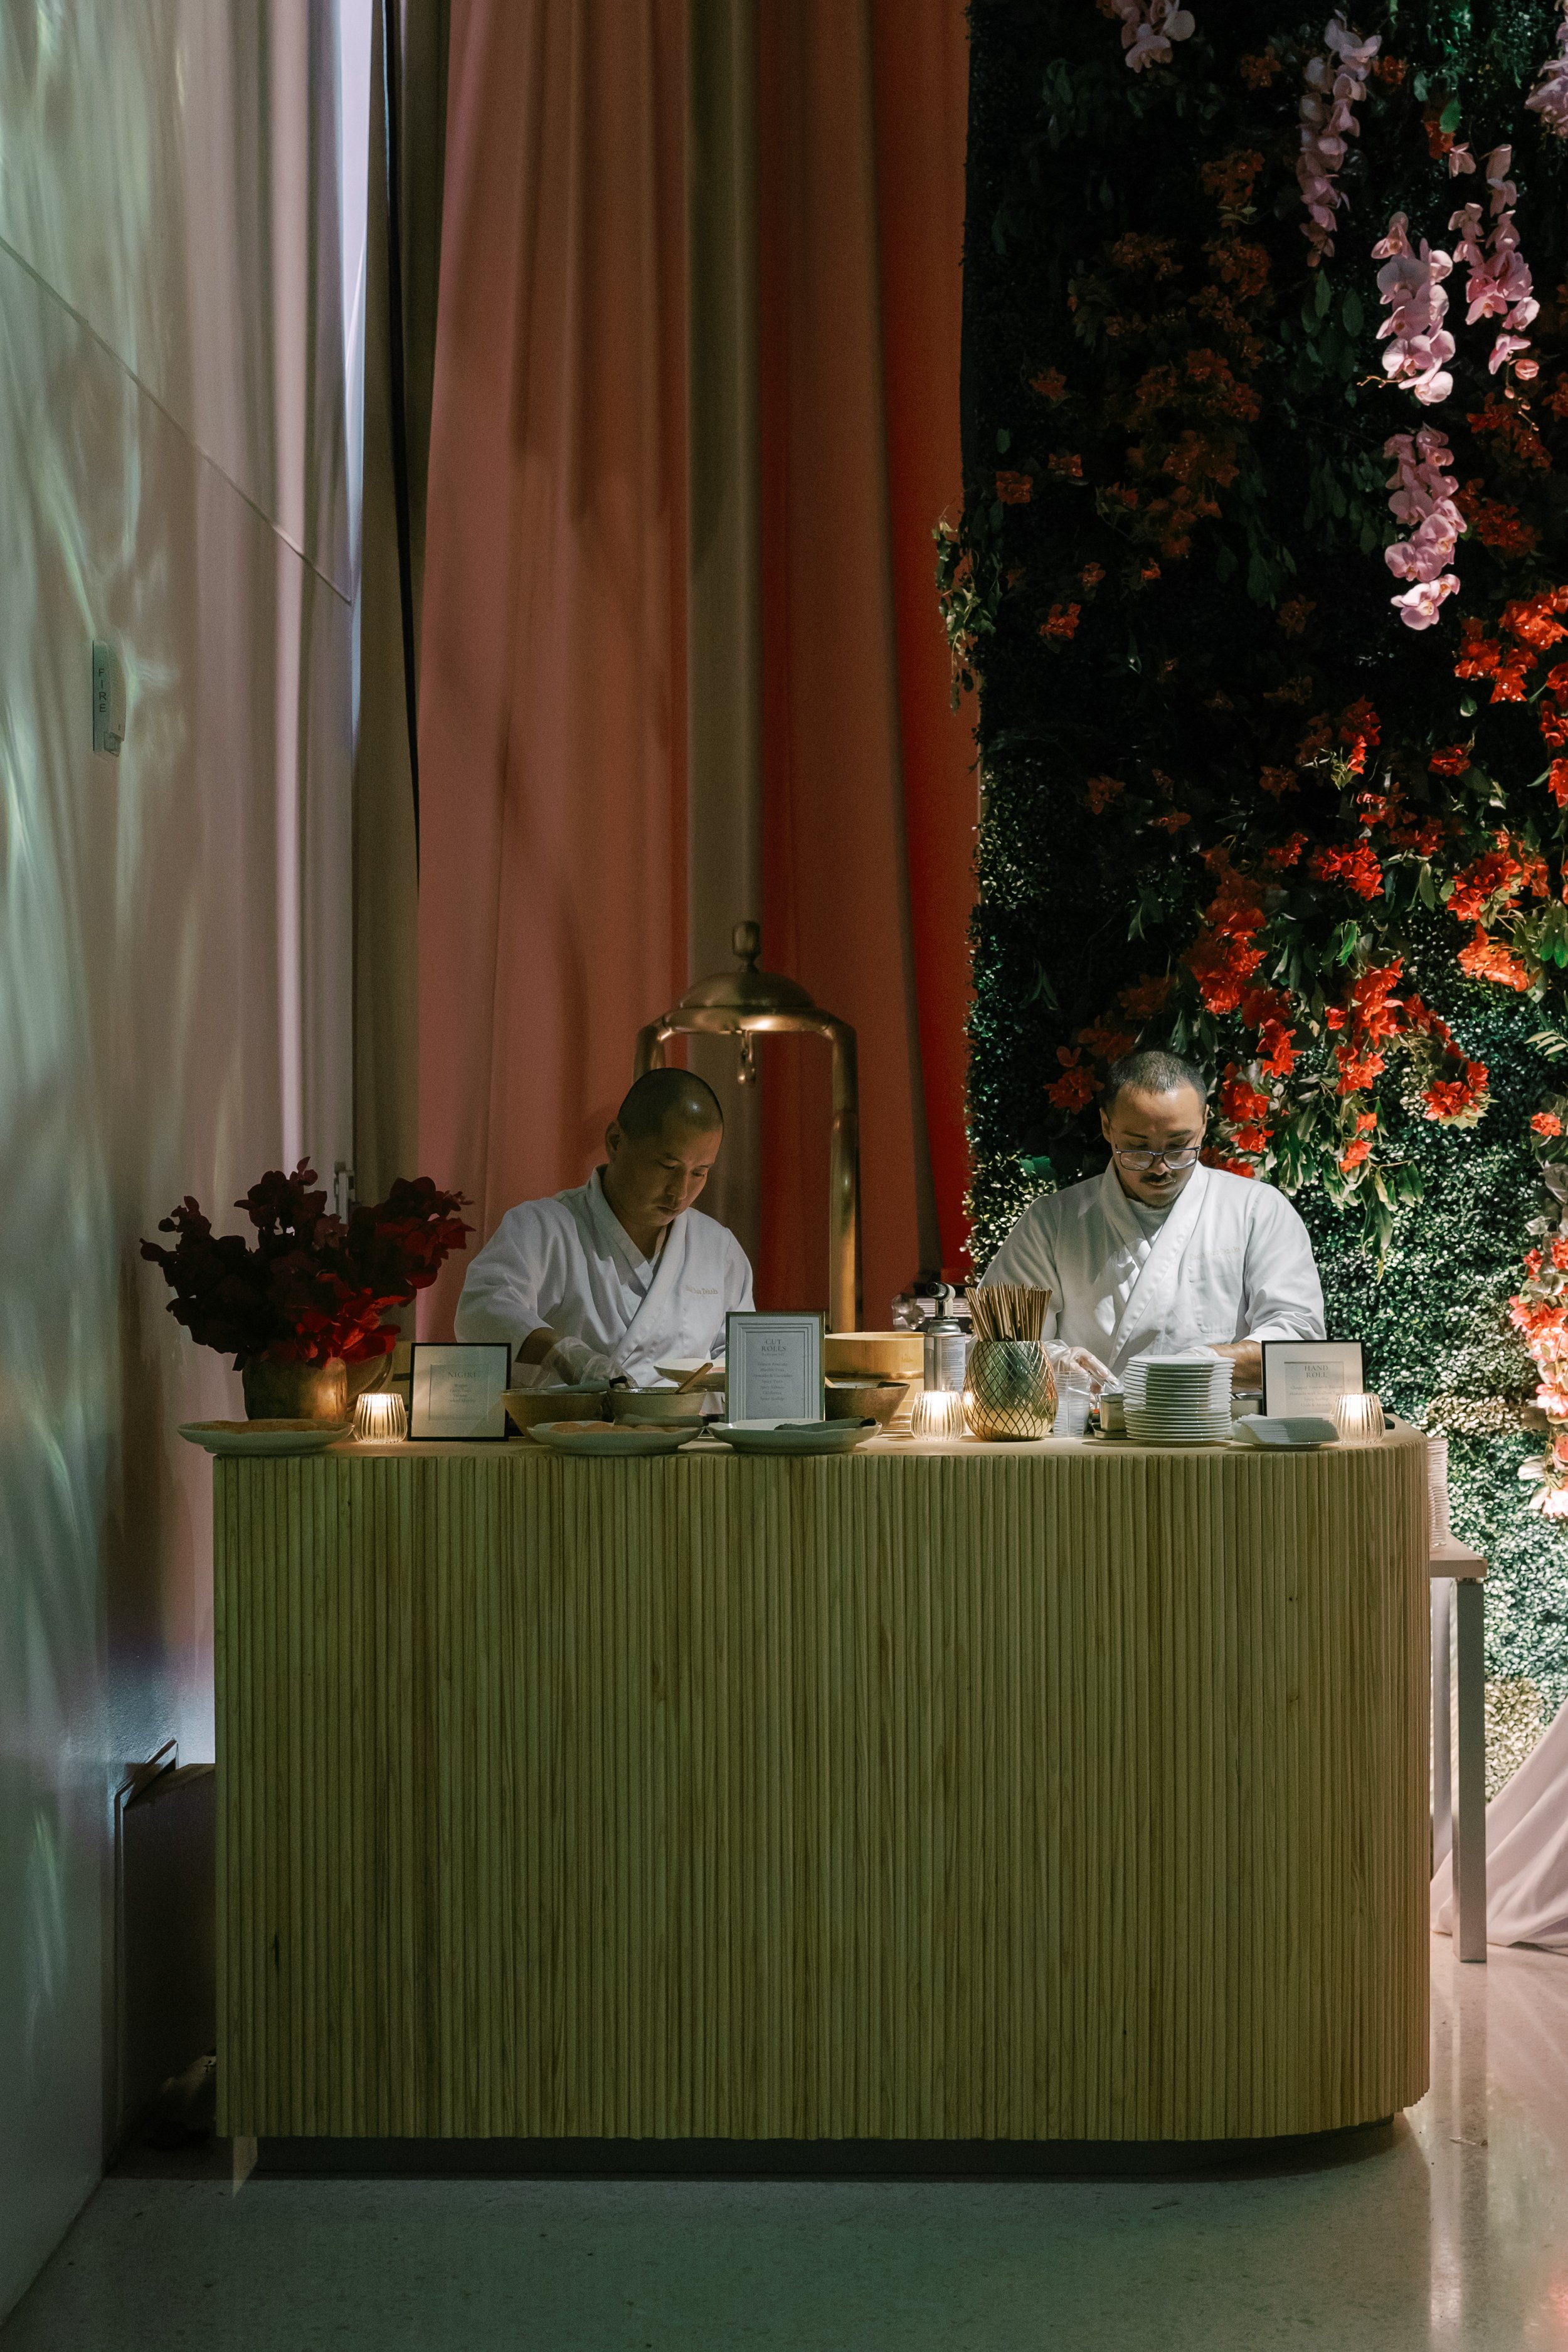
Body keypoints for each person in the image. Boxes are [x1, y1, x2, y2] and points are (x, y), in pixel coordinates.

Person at [979, 1047, 1325, 1389]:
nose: (1160, 1168)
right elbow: (996, 1347)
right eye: (1137, 1148)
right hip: (1092, 1422)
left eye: (1178, 1147)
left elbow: (1299, 1338)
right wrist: (1055, 1364)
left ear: (1204, 1123)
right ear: (1107, 1126)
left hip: (1222, 1422)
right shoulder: (1052, 1221)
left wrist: (1206, 1364)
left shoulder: (1257, 1209)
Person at [455, 1069, 753, 1387]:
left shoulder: (718, 1248)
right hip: (567, 1418)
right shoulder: (543, 1227)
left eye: (699, 1173)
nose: (680, 1192)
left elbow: (741, 1355)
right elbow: (482, 1310)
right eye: (667, 1166)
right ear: (616, 1141)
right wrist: (563, 1352)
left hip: (689, 1420)